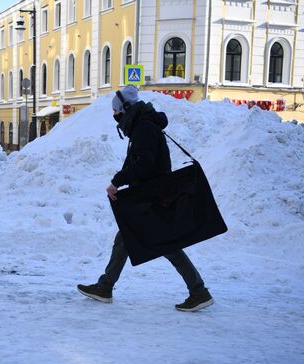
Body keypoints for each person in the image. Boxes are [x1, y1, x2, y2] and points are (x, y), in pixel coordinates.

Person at [77, 85, 214, 312]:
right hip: (150, 195)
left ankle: (199, 291)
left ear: (126, 108)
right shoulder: (142, 125)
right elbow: (138, 161)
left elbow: (143, 163)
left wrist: (118, 181)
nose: (114, 115)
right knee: (125, 239)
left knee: (166, 244)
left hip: (153, 197)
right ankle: (105, 286)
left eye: (116, 110)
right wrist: (121, 180)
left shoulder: (144, 128)